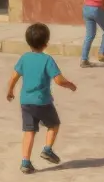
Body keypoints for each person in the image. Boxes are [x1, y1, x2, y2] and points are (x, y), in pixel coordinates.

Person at [6, 23, 77, 174]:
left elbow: (14, 76)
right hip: (42, 102)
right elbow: (58, 80)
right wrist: (70, 85)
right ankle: (47, 149)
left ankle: (25, 162)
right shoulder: (47, 60)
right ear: (46, 43)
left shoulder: (24, 58)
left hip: (26, 102)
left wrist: (10, 90)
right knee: (54, 124)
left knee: (29, 132)